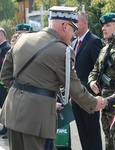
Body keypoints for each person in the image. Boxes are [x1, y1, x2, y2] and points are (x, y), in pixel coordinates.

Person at [0, 6, 105, 150]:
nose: (73, 35)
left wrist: (24, 91)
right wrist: (94, 103)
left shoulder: (23, 38)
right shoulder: (62, 50)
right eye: (73, 30)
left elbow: (5, 75)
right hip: (37, 119)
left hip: (12, 113)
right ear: (64, 26)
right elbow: (74, 89)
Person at [88, 13, 115, 150]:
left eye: (108, 25)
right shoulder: (104, 49)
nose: (103, 28)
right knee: (108, 140)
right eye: (103, 25)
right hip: (105, 103)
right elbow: (95, 70)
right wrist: (92, 81)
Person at [71, 11, 103, 150]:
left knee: (92, 132)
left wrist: (96, 93)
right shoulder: (73, 43)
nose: (74, 25)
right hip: (76, 96)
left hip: (89, 96)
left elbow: (99, 69)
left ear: (85, 22)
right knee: (82, 131)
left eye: (76, 21)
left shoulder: (94, 41)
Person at [0, 27, 11, 139]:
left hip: (4, 84)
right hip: (1, 83)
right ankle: (5, 127)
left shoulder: (6, 48)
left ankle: (8, 129)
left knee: (5, 105)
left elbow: (4, 66)